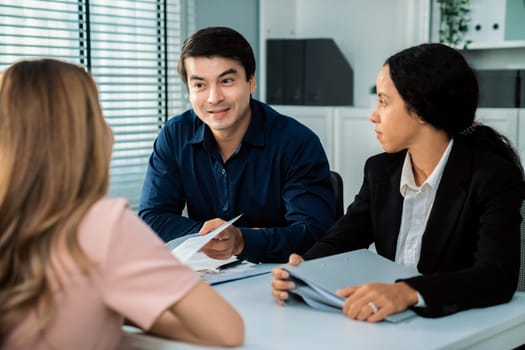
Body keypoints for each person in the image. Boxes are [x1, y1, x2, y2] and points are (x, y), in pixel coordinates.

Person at [271, 43, 525, 322]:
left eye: (383, 101)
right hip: (390, 325)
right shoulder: (380, 171)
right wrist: (304, 267)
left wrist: (409, 292)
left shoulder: (492, 176)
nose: (373, 115)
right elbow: (344, 236)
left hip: (454, 324)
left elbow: (497, 276)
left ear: (419, 109)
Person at [0, 59, 244, 349]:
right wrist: (127, 308)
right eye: (99, 114)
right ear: (81, 135)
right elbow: (227, 330)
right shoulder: (103, 225)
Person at [139, 26, 335, 263]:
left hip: (278, 277)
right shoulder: (174, 135)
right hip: (208, 277)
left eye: (227, 81)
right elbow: (152, 217)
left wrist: (242, 241)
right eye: (200, 85)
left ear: (251, 82)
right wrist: (212, 238)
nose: (214, 98)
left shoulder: (297, 143)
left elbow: (313, 233)